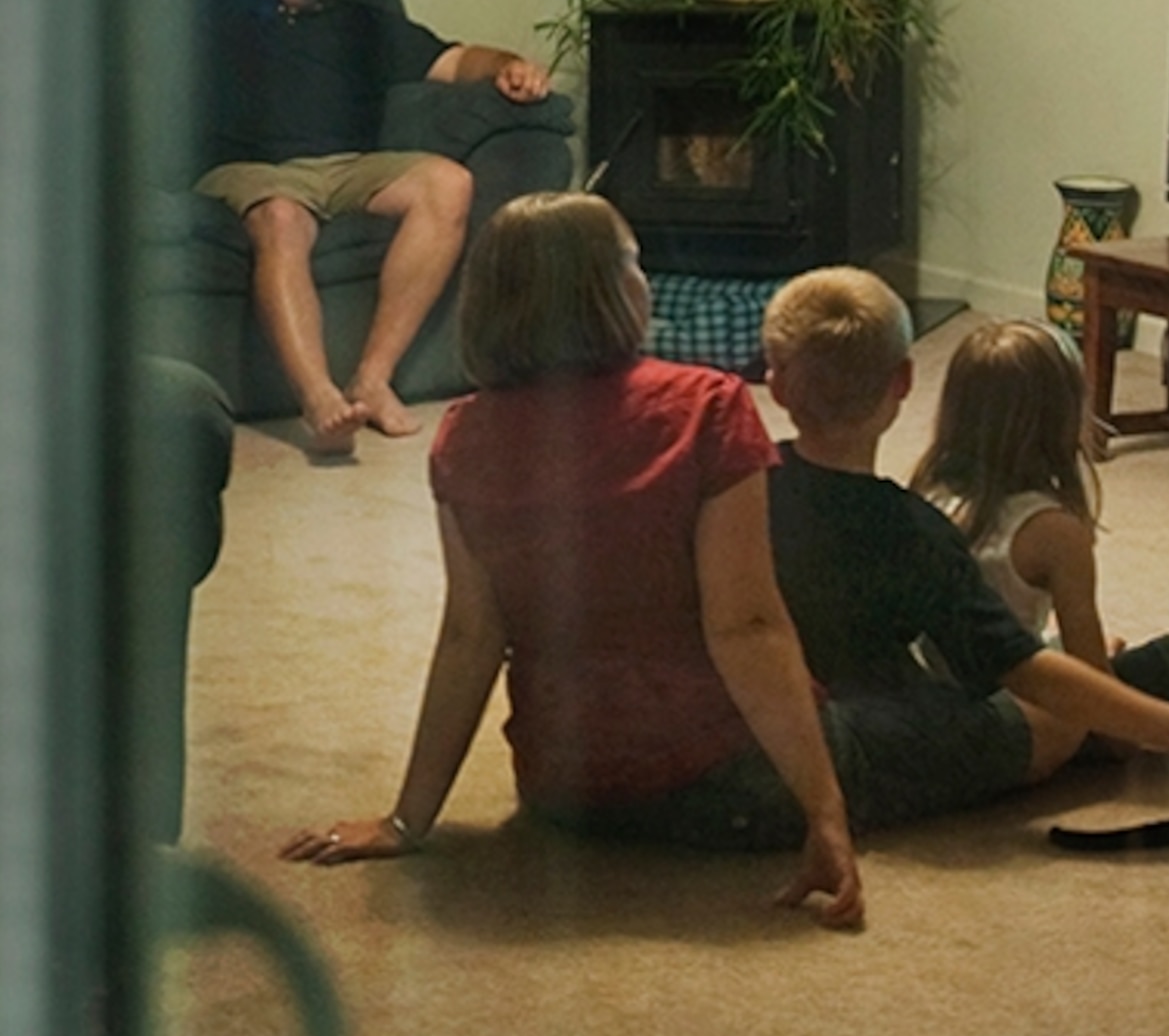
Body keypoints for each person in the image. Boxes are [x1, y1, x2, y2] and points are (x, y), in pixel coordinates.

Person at [279, 194, 864, 926]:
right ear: (611, 289)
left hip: (567, 793)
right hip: (731, 785)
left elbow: (470, 635)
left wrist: (407, 820)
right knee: (1015, 719)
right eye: (635, 263)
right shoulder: (707, 406)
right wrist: (825, 812)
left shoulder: (461, 436)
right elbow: (745, 625)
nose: (645, 279)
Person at [756, 269, 1169, 831]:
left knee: (1074, 670)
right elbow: (1022, 672)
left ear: (778, 386)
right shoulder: (913, 529)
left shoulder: (743, 490)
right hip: (896, 726)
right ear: (904, 381)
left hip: (813, 707)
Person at [198, 0, 552, 454]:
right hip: (254, 171)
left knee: (447, 182)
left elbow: (455, 59)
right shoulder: (210, 21)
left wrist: (509, 65)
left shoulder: (357, 22)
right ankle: (319, 399)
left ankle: (372, 377)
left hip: (351, 168)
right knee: (282, 219)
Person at [908, 315, 1169, 693]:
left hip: (938, 694)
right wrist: (1164, 733)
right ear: (1062, 417)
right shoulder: (1051, 530)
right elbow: (1091, 689)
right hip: (1016, 712)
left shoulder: (925, 491)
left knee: (1099, 643)